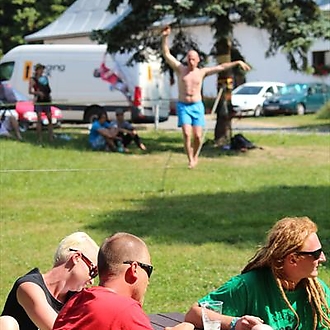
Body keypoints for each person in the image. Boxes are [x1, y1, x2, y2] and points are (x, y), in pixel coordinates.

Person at [185, 216, 330, 330]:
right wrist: (236, 323)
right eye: (316, 254)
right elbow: (194, 314)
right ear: (292, 259)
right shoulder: (247, 286)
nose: (322, 258)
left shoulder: (318, 291)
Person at [53, 232, 194, 330]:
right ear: (134, 269)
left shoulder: (74, 303)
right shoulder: (125, 310)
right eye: (148, 270)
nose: (148, 282)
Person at [161, 26, 251, 168]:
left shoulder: (202, 72)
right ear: (186, 59)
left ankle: (195, 155)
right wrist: (165, 37)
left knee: (197, 136)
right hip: (183, 105)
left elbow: (221, 67)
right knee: (186, 133)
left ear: (197, 60)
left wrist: (237, 62)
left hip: (197, 106)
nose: (191, 62)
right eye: (189, 59)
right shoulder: (180, 69)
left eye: (193, 59)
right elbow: (166, 54)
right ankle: (190, 158)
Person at [1, 232, 99, 330]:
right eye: (93, 271)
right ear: (76, 258)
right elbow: (56, 328)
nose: (92, 281)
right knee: (6, 322)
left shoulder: (76, 300)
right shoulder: (29, 287)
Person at [28, 63, 53, 143]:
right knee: (39, 118)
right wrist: (37, 93)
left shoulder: (45, 78)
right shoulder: (33, 79)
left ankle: (51, 137)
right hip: (39, 100)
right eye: (40, 69)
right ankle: (39, 138)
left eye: (42, 69)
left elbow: (48, 89)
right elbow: (30, 91)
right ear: (37, 70)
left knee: (49, 118)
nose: (42, 71)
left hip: (46, 100)